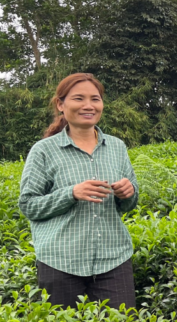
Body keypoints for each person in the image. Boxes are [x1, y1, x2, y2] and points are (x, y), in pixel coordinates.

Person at [18, 73, 139, 309]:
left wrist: (128, 192)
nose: (88, 105)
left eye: (95, 99)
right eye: (78, 98)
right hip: (60, 262)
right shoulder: (44, 151)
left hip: (113, 259)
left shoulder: (116, 147)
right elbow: (28, 205)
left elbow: (128, 205)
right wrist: (71, 193)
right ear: (60, 104)